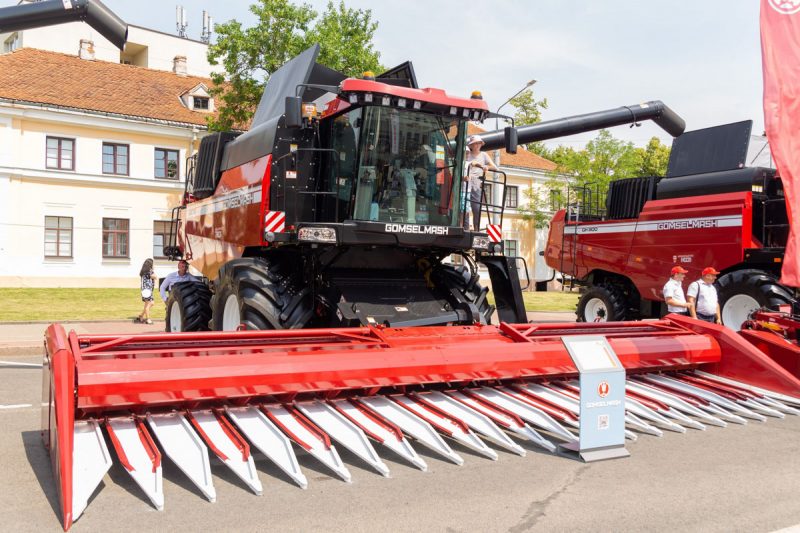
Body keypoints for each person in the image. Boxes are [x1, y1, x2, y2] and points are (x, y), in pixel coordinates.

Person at [464, 134, 498, 231]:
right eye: (475, 143)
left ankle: (476, 229)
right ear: (471, 145)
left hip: (476, 183)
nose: (477, 145)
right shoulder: (467, 154)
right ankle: (465, 228)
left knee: (476, 208)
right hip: (465, 182)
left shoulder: (484, 155)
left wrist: (486, 167)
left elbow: (495, 167)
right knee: (464, 207)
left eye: (478, 143)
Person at [136, 258, 157, 325]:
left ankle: (141, 316)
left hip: (145, 290)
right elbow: (155, 277)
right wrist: (153, 272)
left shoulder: (144, 272)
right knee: (150, 304)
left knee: (147, 304)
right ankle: (148, 319)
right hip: (147, 290)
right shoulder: (149, 272)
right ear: (150, 265)